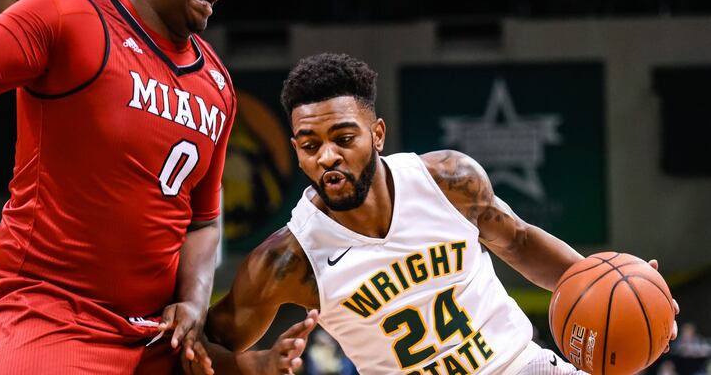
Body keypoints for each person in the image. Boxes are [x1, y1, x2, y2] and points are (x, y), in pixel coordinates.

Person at [193, 53, 679, 375]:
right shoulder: (287, 260)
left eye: (344, 139)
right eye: (309, 145)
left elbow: (520, 242)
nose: (327, 157)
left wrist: (620, 286)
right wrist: (252, 366)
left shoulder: (446, 179)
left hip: (521, 365)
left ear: (377, 135)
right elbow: (203, 348)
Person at [0, 0, 240, 372]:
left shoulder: (219, 85)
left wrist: (193, 300)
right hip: (50, 316)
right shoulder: (67, 20)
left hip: (152, 335)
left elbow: (203, 222)